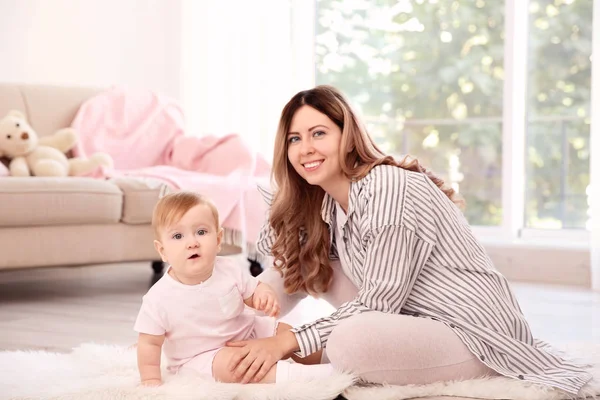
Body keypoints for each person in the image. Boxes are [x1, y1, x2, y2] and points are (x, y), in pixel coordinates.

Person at [224, 85, 592, 395]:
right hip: (415, 323)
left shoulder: (388, 188)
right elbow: (296, 271)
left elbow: (379, 303)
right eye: (294, 139)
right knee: (310, 275)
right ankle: (301, 353)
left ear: (347, 136)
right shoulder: (331, 206)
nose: (305, 148)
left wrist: (288, 341)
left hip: (474, 334)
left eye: (318, 133)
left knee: (348, 341)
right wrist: (246, 306)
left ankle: (314, 374)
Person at [134, 191, 334, 386]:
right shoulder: (158, 298)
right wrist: (150, 378)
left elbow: (253, 290)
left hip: (248, 332)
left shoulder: (228, 268)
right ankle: (303, 376)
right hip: (202, 358)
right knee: (236, 365)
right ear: (162, 251)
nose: (192, 243)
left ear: (218, 240)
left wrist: (263, 295)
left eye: (201, 232)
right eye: (178, 236)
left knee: (286, 332)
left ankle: (331, 356)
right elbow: (149, 342)